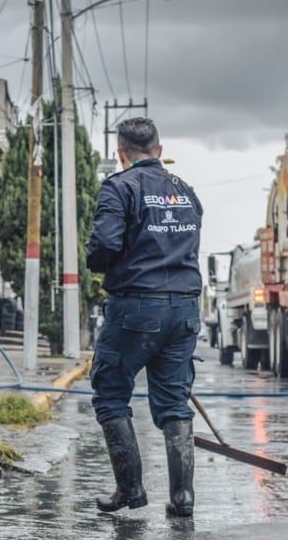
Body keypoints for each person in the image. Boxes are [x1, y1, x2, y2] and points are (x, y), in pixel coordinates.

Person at [85, 117, 203, 516]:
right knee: (174, 401)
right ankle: (182, 498)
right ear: (159, 148)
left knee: (110, 391)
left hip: (136, 306)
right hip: (185, 307)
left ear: (121, 153)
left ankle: (130, 490)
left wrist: (100, 262)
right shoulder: (186, 192)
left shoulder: (120, 187)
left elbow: (103, 246)